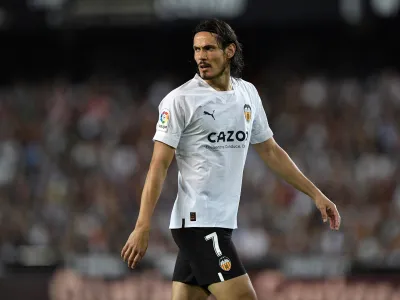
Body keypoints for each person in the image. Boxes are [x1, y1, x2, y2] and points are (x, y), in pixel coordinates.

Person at [121, 19, 341, 300]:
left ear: (229, 51)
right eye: (197, 49)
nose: (201, 56)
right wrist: (142, 225)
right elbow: (158, 165)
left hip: (221, 222)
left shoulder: (247, 93)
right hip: (199, 222)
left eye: (209, 48)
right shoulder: (180, 100)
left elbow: (270, 151)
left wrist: (316, 194)